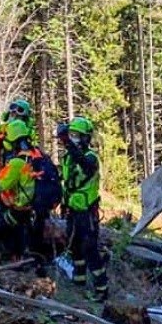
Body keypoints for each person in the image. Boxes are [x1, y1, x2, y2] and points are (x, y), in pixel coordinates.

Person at [0, 119, 43, 261]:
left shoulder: (17, 163)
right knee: (18, 234)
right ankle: (19, 257)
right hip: (32, 209)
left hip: (19, 211)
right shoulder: (36, 156)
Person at [57, 116, 107, 300]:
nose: (73, 139)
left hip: (87, 212)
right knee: (75, 248)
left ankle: (102, 288)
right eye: (71, 135)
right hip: (72, 209)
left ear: (86, 138)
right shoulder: (68, 158)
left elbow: (85, 167)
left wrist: (67, 142)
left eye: (77, 135)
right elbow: (67, 182)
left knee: (90, 249)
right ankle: (79, 280)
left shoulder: (90, 158)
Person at [0, 98, 37, 172]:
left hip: (18, 167)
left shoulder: (26, 131)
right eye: (12, 114)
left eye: (17, 115)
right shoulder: (0, 129)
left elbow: (27, 152)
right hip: (1, 167)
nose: (14, 116)